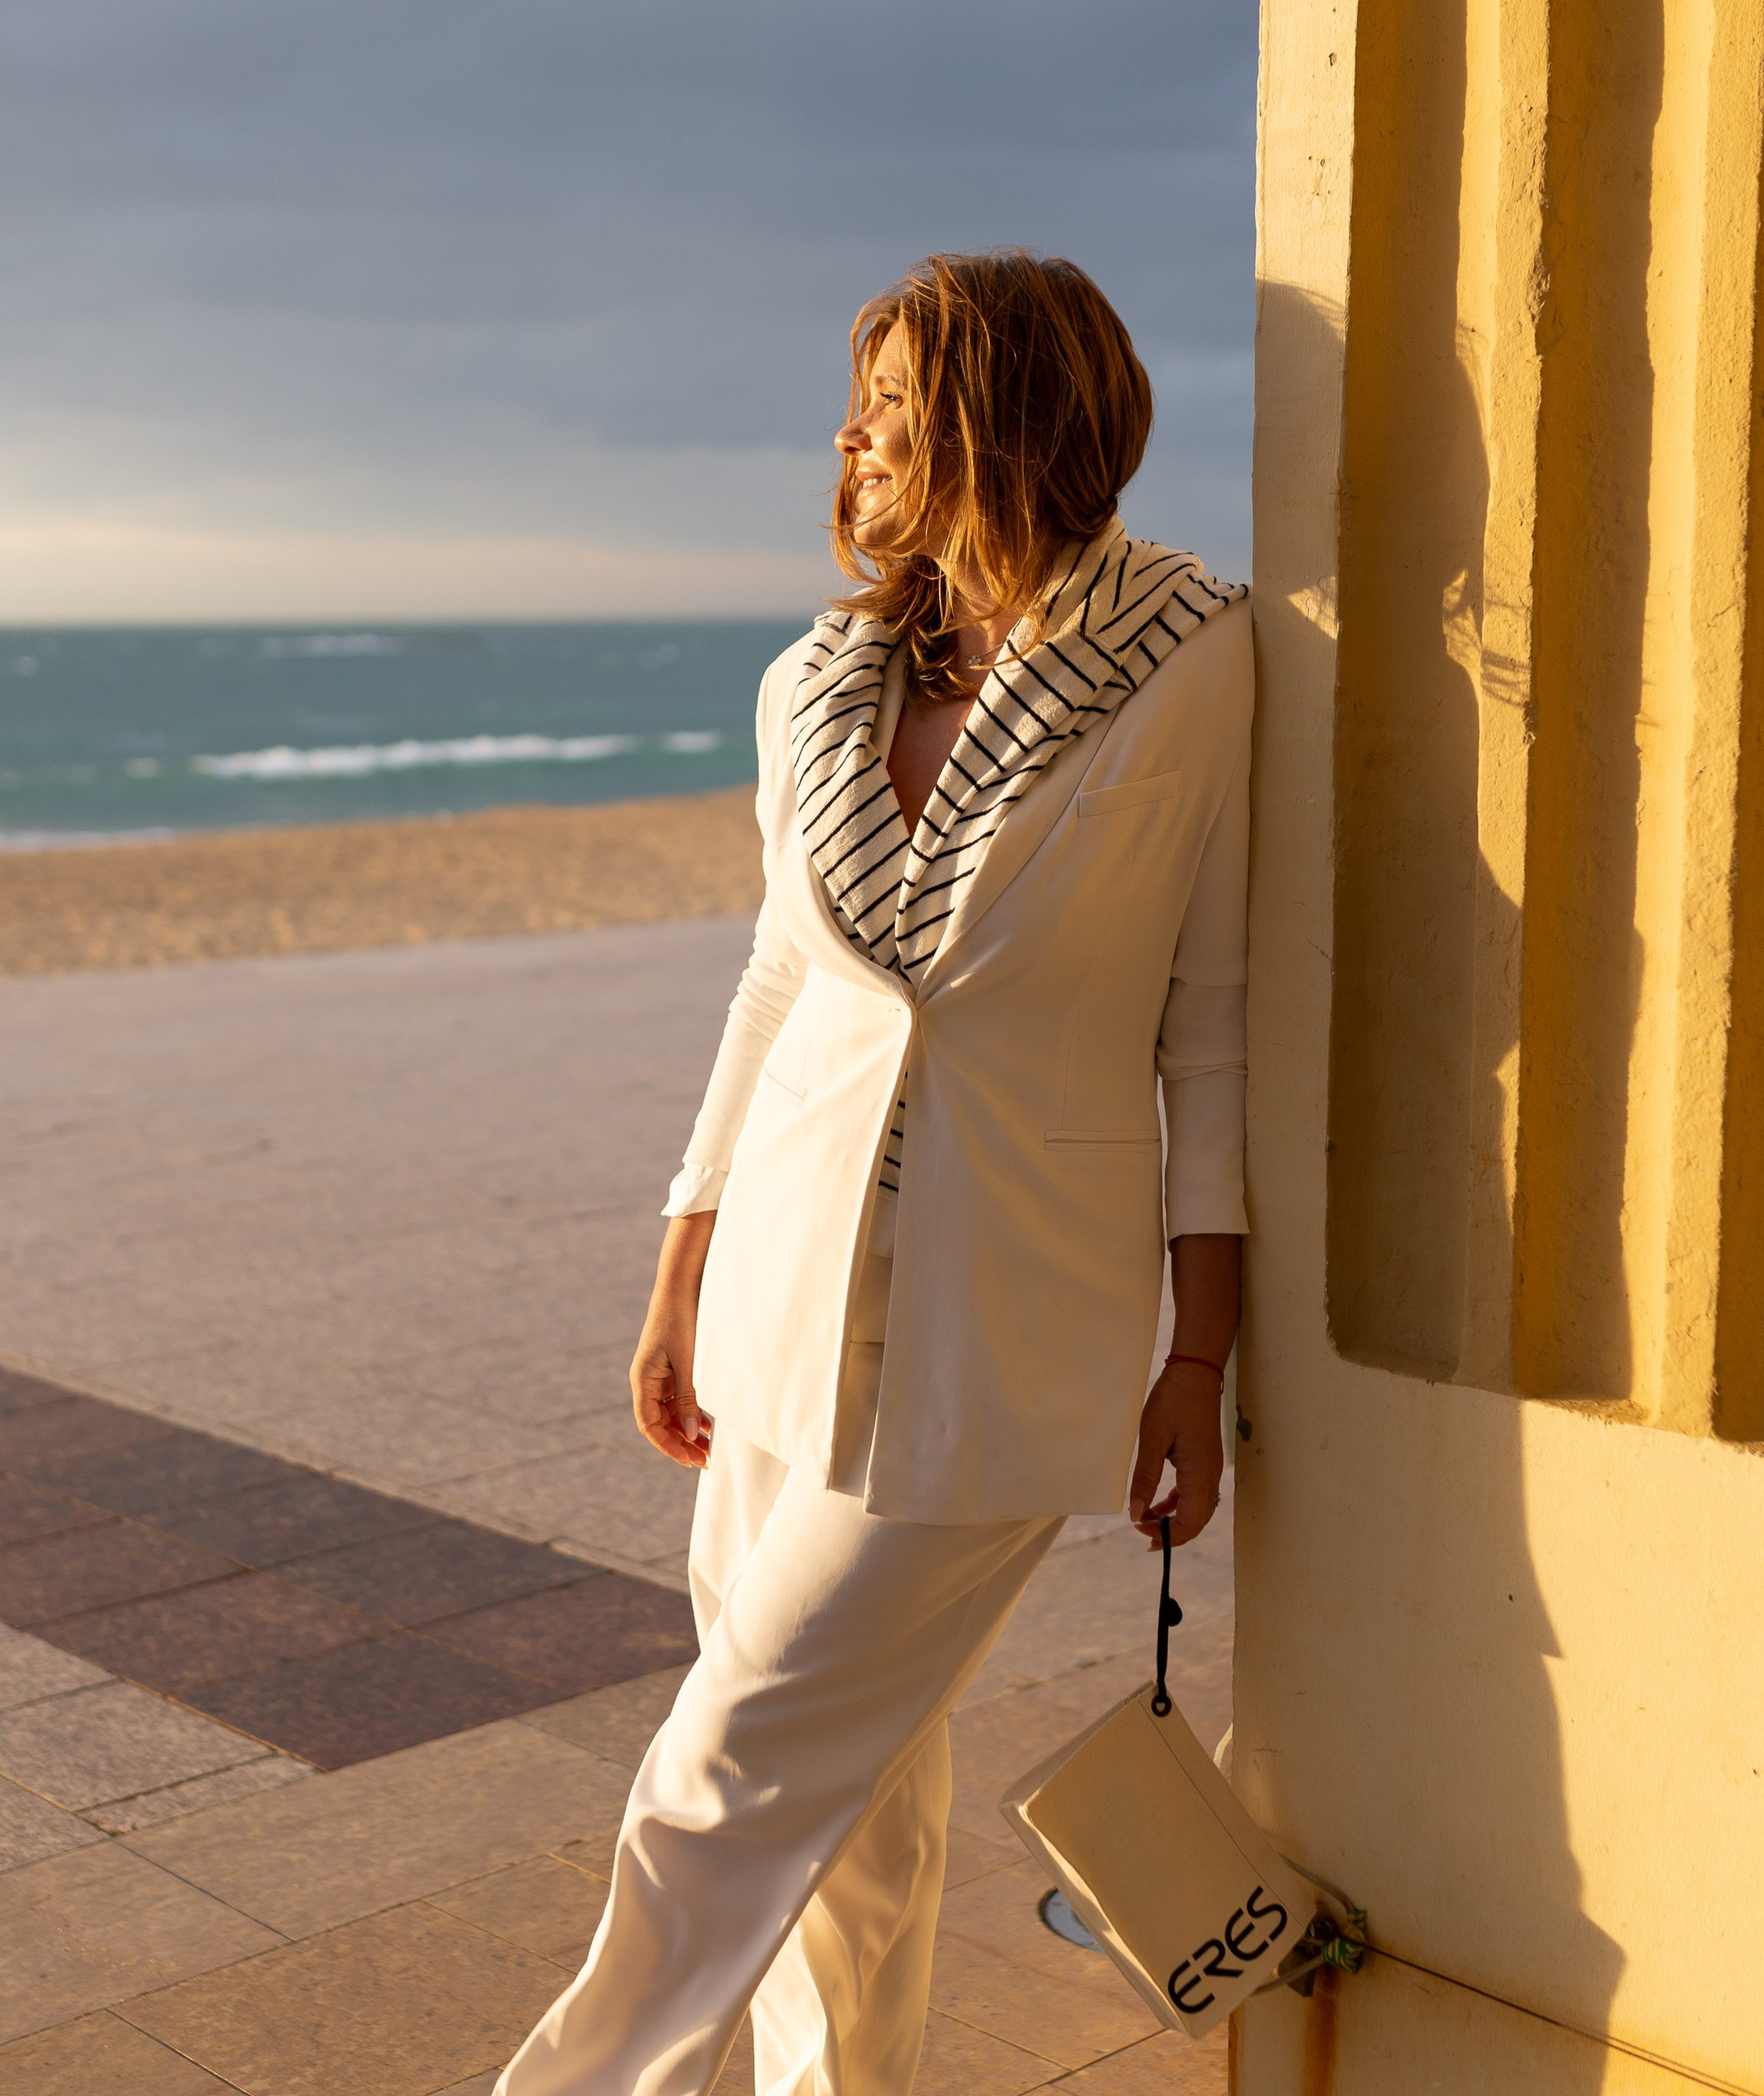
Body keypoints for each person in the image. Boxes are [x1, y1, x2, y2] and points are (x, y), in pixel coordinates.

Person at [496, 248, 1251, 2096]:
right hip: (773, 1301)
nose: (852, 435)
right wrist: (679, 1265)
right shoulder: (815, 682)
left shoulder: (1195, 660)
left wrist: (1195, 1351)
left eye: (896, 399)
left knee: (720, 1775)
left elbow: (1208, 1022)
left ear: (1003, 420)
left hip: (1000, 1337)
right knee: (851, 1828)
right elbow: (776, 981)